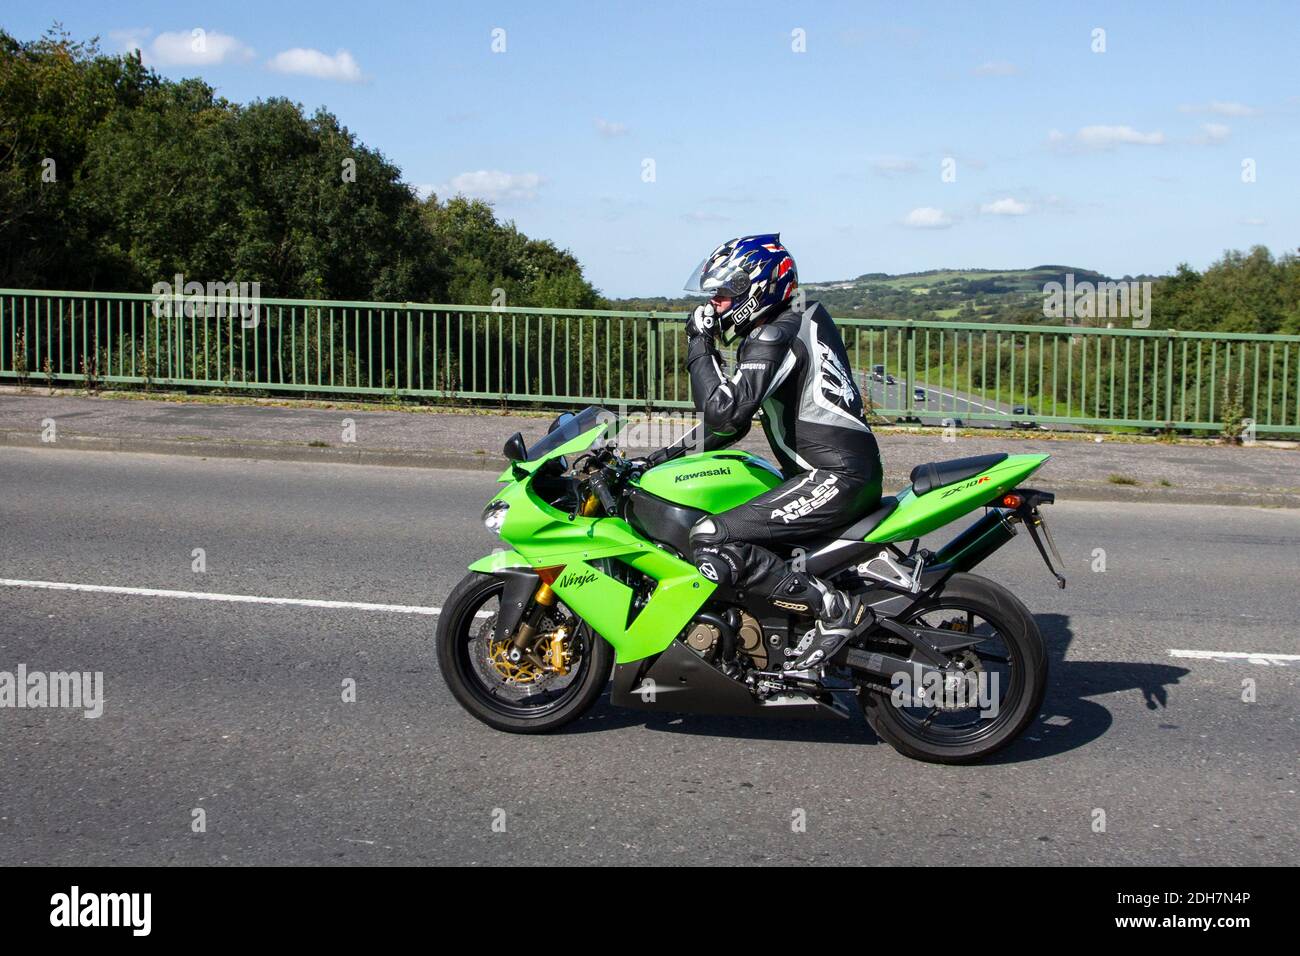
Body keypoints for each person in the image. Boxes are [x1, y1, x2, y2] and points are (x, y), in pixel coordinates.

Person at [646, 234, 885, 672]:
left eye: (723, 293)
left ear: (759, 285)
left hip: (832, 478)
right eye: (713, 295)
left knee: (711, 538)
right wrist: (659, 459)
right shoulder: (796, 318)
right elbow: (729, 428)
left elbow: (723, 416)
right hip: (836, 473)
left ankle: (834, 611)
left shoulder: (775, 334)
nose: (714, 305)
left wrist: (698, 344)